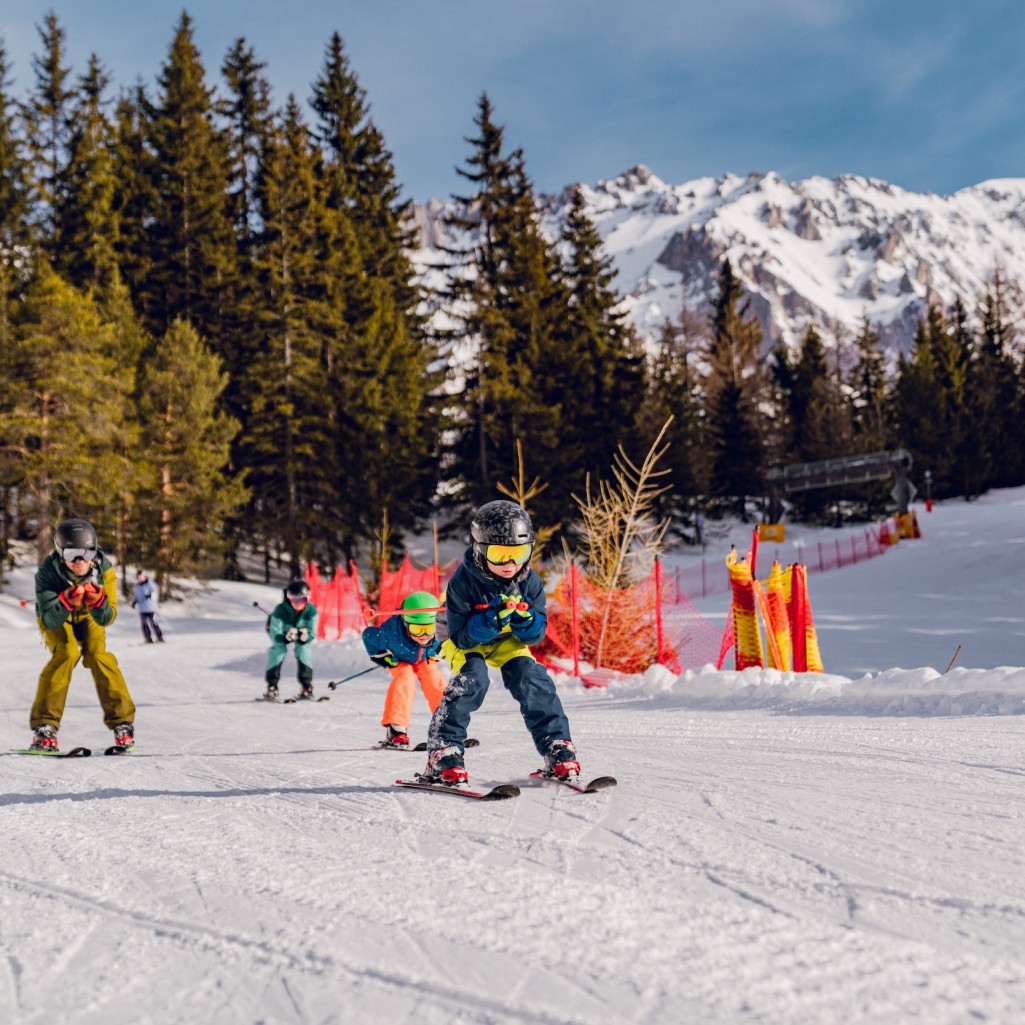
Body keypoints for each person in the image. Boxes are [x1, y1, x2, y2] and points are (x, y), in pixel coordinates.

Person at [422, 500, 580, 786]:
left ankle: (557, 746)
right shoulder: (462, 582)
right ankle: (443, 751)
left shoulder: (530, 582)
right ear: (480, 550)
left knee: (531, 677)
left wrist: (525, 622)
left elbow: (537, 634)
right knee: (474, 680)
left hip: (505, 639)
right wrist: (491, 620)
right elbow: (462, 637)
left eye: (519, 553)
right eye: (499, 554)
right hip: (463, 639)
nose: (510, 564)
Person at [30, 518, 136, 752]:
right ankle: (44, 727)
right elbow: (49, 620)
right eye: (72, 554)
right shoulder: (47, 572)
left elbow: (107, 617)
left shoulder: (104, 570)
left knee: (98, 655)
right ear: (61, 554)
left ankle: (123, 723)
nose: (80, 561)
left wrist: (98, 602)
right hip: (57, 614)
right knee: (66, 653)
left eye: (86, 553)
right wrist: (66, 602)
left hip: (89, 614)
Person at [361, 591, 447, 748]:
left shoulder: (441, 630)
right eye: (417, 629)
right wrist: (382, 657)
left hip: (425, 658)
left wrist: (442, 650)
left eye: (430, 628)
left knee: (433, 678)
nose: (424, 635)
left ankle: (448, 725)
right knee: (405, 678)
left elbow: (454, 636)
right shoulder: (390, 632)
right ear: (406, 624)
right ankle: (396, 730)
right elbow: (369, 636)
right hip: (399, 660)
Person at [264, 580, 318, 701]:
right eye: (295, 599)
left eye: (302, 600)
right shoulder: (280, 610)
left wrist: (306, 637)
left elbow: (312, 632)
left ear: (307, 599)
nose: (298, 603)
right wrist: (283, 638)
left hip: (300, 634)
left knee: (304, 650)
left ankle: (306, 686)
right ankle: (272, 686)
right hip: (282, 634)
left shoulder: (311, 610)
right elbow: (274, 632)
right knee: (278, 650)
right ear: (289, 598)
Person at [131, 570, 164, 643]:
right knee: (144, 624)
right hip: (142, 608)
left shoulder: (151, 584)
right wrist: (134, 602)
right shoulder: (138, 586)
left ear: (145, 576)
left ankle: (160, 637)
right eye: (138, 577)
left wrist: (150, 595)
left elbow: (155, 593)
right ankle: (148, 638)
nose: (139, 578)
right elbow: (136, 596)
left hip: (151, 608)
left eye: (141, 576)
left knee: (153, 622)